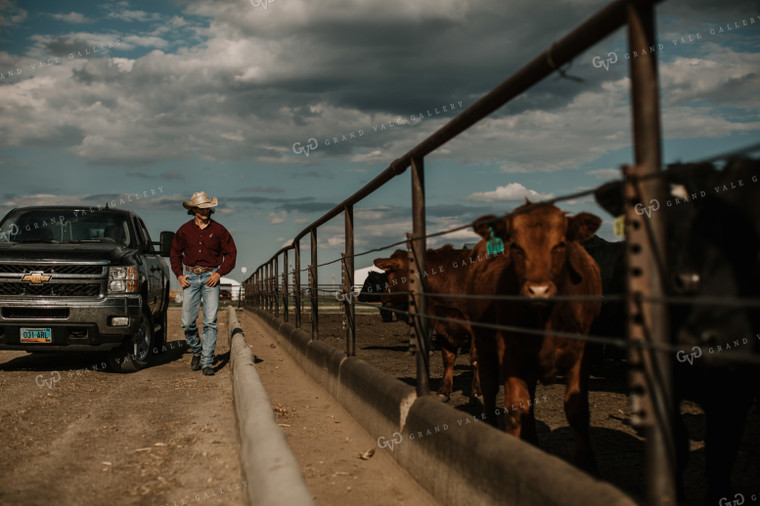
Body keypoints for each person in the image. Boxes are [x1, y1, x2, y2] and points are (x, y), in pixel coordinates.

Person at [170, 191, 237, 376]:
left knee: (210, 322)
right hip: (190, 277)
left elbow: (231, 254)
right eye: (201, 208)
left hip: (210, 278)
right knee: (187, 323)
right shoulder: (184, 230)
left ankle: (207, 361)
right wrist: (179, 275)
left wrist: (219, 273)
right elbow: (175, 252)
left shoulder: (219, 231)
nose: (205, 211)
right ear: (193, 210)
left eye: (207, 208)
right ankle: (198, 351)